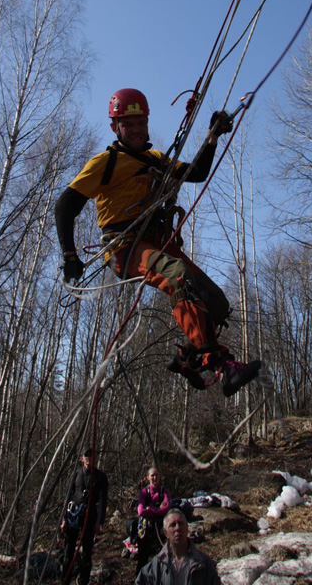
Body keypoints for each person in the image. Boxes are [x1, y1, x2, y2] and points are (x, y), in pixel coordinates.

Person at [55, 88, 262, 396]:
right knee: (176, 274)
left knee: (217, 304)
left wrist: (212, 136)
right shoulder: (105, 163)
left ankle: (186, 359)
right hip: (124, 248)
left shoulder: (156, 160)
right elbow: (65, 206)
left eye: (141, 123)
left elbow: (196, 172)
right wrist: (70, 255)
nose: (137, 130)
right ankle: (219, 364)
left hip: (159, 242)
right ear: (115, 127)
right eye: (128, 125)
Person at [134, 508, 221, 585]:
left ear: (187, 528)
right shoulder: (155, 567)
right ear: (165, 533)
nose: (177, 528)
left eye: (181, 524)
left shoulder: (204, 564)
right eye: (172, 525)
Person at [61, 447, 108, 585]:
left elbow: (103, 500)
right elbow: (68, 497)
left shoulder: (100, 477)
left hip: (90, 516)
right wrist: (64, 519)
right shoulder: (76, 475)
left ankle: (83, 581)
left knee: (87, 553)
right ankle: (65, 580)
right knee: (68, 551)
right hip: (74, 516)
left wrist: (99, 522)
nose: (89, 458)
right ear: (82, 458)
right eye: (86, 456)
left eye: (91, 456)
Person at [134, 467, 171, 574]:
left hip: (161, 529)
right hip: (146, 529)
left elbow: (166, 509)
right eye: (152, 475)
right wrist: (157, 509)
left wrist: (149, 509)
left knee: (163, 556)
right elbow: (141, 511)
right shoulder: (143, 492)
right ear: (148, 478)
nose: (154, 478)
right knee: (142, 558)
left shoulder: (165, 492)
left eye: (156, 475)